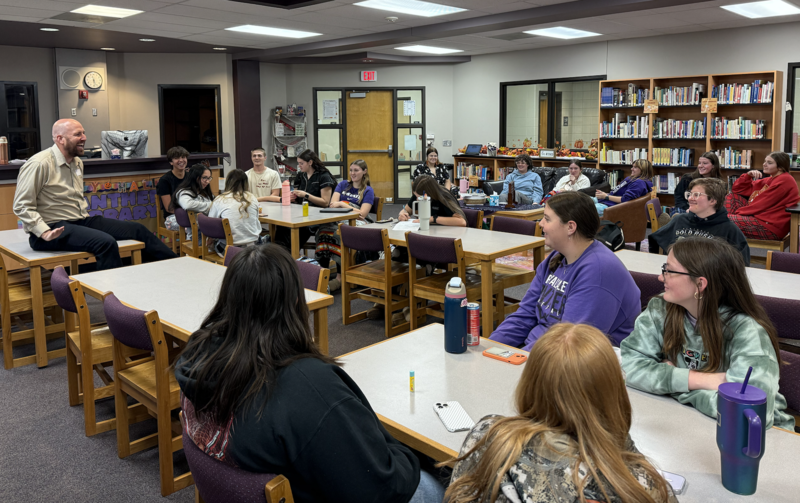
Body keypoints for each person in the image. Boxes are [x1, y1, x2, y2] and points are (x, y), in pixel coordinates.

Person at [175, 245, 445, 503]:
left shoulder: (200, 354)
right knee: (445, 483)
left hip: (273, 477)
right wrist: (412, 456)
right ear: (295, 303)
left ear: (229, 300)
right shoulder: (305, 387)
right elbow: (382, 490)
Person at [447, 323, 676, 503]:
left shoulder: (486, 434)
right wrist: (614, 429)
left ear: (530, 383)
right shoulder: (637, 485)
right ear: (613, 394)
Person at [621, 237, 794, 430]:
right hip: (687, 423)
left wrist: (673, 385)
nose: (661, 277)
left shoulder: (748, 332)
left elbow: (748, 415)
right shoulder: (661, 308)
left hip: (758, 441)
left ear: (700, 284)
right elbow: (626, 368)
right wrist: (700, 380)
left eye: (669, 270)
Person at [12, 119, 177, 271]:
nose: (84, 138)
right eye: (78, 134)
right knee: (105, 242)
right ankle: (115, 297)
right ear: (60, 139)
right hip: (50, 230)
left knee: (138, 230)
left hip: (79, 221)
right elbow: (21, 205)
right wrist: (44, 232)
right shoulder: (39, 164)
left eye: (83, 133)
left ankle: (175, 268)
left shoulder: (77, 162)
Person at [490, 192, 640, 351]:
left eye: (547, 219)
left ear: (570, 227)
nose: (541, 224)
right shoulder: (556, 257)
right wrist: (492, 348)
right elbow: (524, 316)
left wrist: (517, 362)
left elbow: (569, 344)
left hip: (573, 364)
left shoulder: (598, 271)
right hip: (536, 351)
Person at [649, 177, 749, 265]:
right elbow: (655, 240)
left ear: (713, 200)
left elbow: (742, 265)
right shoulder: (680, 220)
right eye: (689, 194)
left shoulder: (729, 229)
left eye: (696, 195)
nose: (689, 198)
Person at [315, 160, 375, 292]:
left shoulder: (368, 190)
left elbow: (362, 214)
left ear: (364, 171)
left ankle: (340, 277)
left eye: (356, 170)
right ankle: (321, 271)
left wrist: (342, 204)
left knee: (338, 234)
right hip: (340, 219)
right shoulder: (343, 184)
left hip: (359, 223)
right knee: (323, 231)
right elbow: (332, 204)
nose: (352, 173)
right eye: (351, 170)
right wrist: (345, 207)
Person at [725, 151, 800, 240]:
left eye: (769, 163)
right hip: (761, 218)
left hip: (770, 226)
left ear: (780, 167)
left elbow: (760, 205)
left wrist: (735, 214)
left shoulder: (784, 180)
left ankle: (724, 243)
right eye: (765, 161)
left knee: (723, 220)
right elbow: (737, 190)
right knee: (731, 197)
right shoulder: (771, 179)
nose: (764, 164)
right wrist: (748, 176)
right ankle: (727, 237)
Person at [274, 150, 336, 253]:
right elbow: (297, 195)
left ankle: (289, 253)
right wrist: (292, 197)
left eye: (301, 163)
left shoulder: (323, 176)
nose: (299, 166)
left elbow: (325, 202)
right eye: (298, 163)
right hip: (301, 212)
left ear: (310, 162)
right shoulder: (301, 176)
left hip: (318, 215)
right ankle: (279, 252)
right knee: (282, 224)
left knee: (301, 227)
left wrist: (306, 195)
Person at [208, 169, 261, 256]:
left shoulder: (220, 199)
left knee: (215, 243)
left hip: (229, 249)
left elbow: (210, 225)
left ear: (228, 182)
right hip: (253, 249)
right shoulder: (252, 198)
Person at [399, 175, 466, 227]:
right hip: (429, 231)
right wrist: (402, 214)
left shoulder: (444, 197)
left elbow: (462, 222)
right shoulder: (418, 194)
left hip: (448, 232)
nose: (417, 199)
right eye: (416, 196)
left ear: (429, 193)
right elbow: (406, 210)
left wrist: (433, 219)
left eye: (419, 197)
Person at [171, 164, 215, 242]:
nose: (207, 181)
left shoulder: (204, 192)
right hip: (198, 235)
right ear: (195, 177)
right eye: (204, 178)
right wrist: (212, 205)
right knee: (230, 242)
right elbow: (188, 205)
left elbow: (217, 202)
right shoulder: (184, 192)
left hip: (209, 230)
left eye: (209, 178)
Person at [156, 146, 189, 231]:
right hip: (172, 217)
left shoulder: (191, 177)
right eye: (176, 158)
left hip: (191, 213)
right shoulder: (164, 180)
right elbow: (169, 208)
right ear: (171, 162)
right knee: (194, 226)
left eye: (183, 157)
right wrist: (189, 213)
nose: (181, 160)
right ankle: (191, 244)